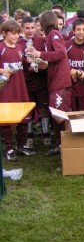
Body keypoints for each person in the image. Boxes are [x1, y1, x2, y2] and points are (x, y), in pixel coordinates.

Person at [26, 10, 72, 156]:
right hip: (54, 80)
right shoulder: (50, 35)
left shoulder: (54, 34)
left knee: (60, 116)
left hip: (60, 81)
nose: (39, 26)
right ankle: (59, 144)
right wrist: (42, 62)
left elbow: (61, 53)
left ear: (45, 22)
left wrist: (40, 54)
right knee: (56, 115)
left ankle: (64, 146)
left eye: (40, 23)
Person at [0, 20, 35, 162]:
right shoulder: (1, 48)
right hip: (6, 89)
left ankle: (21, 145)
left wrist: (34, 64)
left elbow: (25, 66)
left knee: (24, 117)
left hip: (20, 87)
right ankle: (9, 148)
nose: (15, 37)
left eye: (17, 34)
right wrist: (2, 70)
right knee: (6, 119)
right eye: (12, 34)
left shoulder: (21, 47)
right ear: (4, 33)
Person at [18, 16, 51, 149]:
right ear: (22, 28)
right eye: (27, 28)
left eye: (33, 27)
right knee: (29, 110)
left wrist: (42, 64)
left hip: (41, 80)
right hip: (26, 81)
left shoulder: (41, 40)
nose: (30, 31)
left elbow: (46, 57)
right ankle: (29, 135)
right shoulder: (19, 43)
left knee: (43, 109)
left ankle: (46, 135)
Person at [66, 18, 84, 111]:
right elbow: (63, 63)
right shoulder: (67, 45)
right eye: (78, 29)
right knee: (72, 113)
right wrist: (70, 70)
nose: (81, 32)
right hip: (70, 86)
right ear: (73, 31)